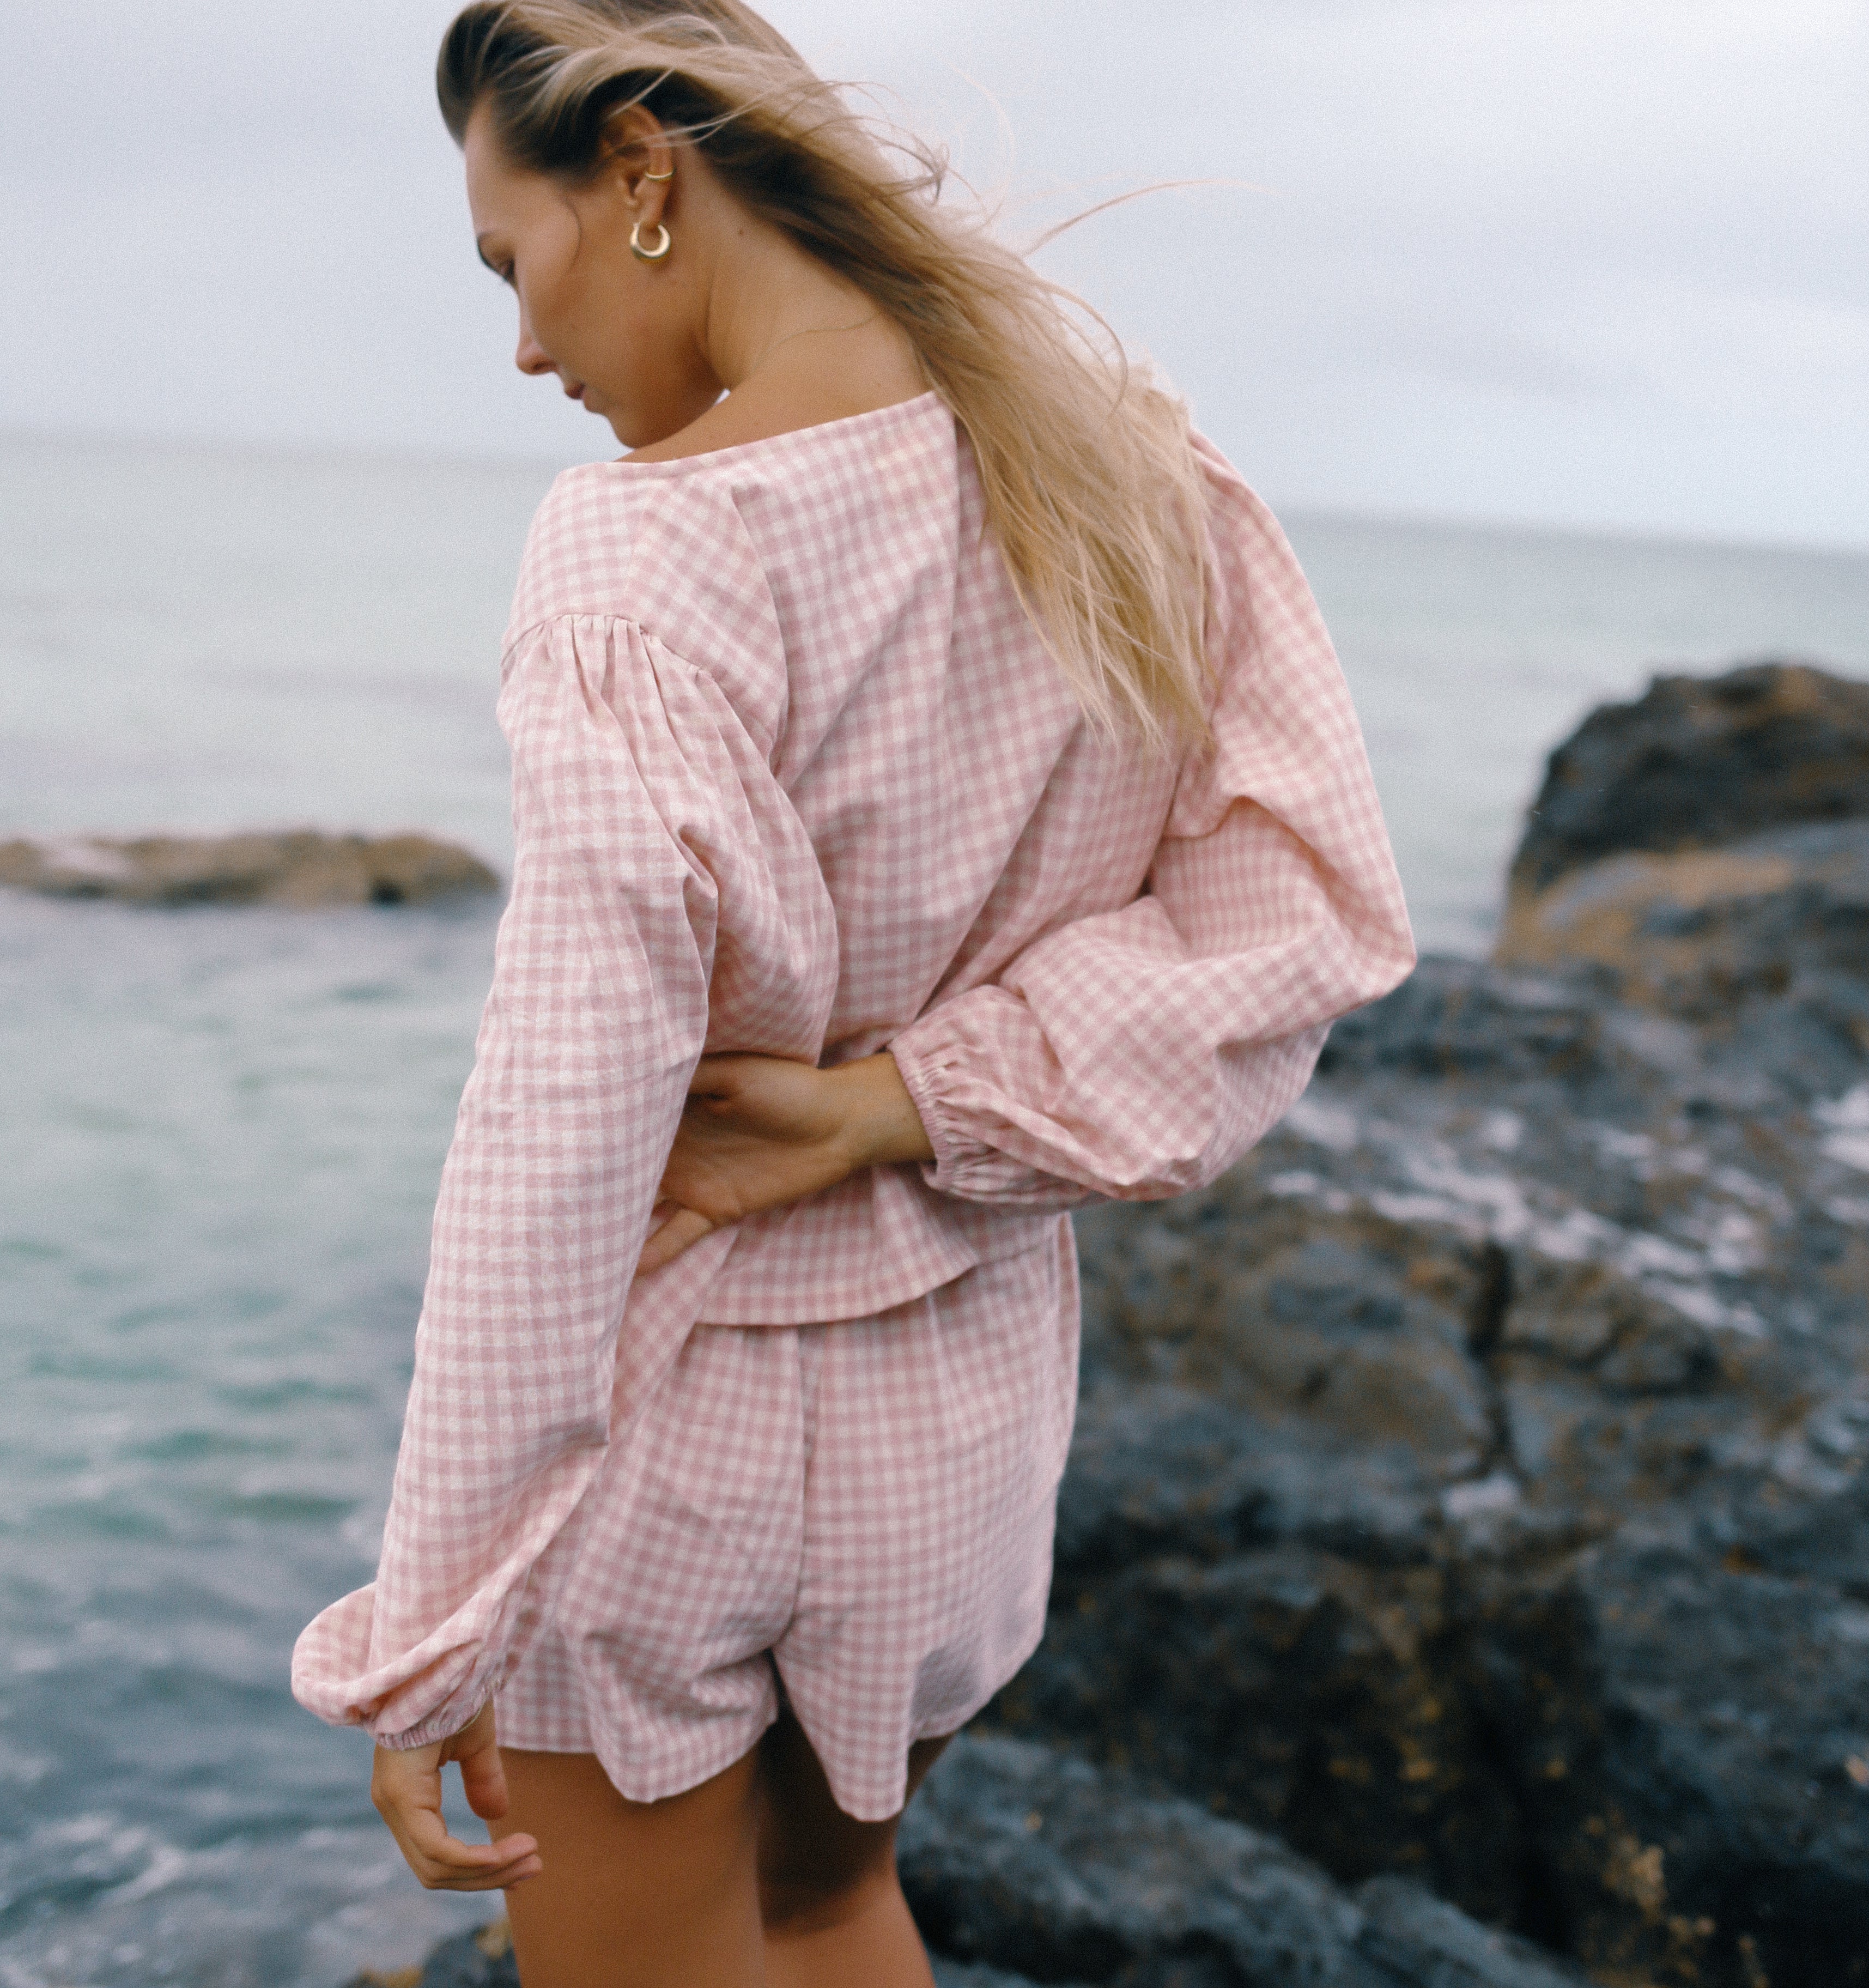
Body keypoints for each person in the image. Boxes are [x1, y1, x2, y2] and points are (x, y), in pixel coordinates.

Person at [291, 3, 1415, 1983]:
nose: (527, 350)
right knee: (832, 1914)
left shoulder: (641, 557)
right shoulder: (1115, 449)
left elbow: (560, 1134)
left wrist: (428, 1626)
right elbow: (1299, 910)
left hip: (683, 1438)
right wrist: (911, 1103)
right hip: (960, 1419)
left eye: (511, 262)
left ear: (640, 173)